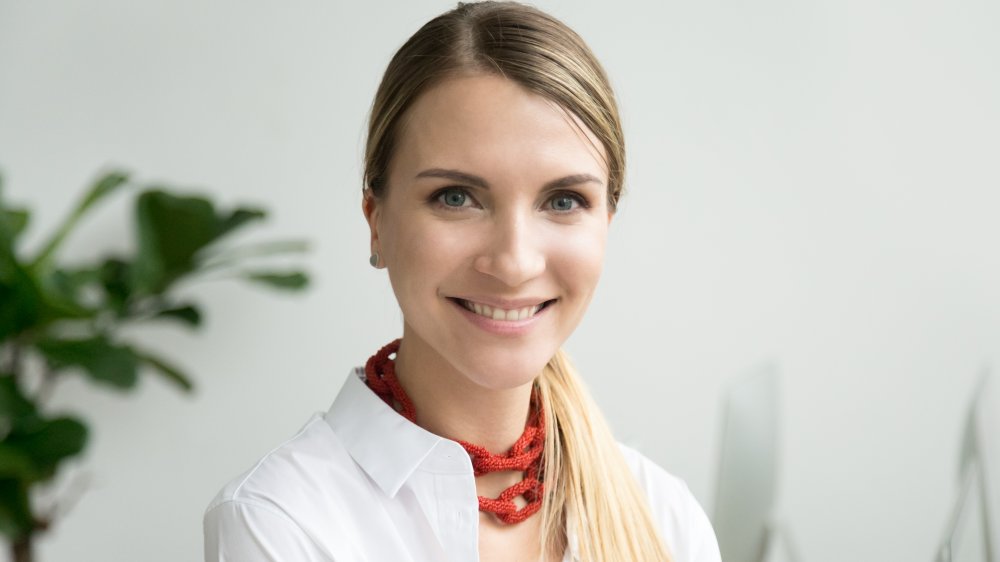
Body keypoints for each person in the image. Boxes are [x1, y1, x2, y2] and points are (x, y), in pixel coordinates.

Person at [203, 2, 721, 561]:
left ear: (605, 226)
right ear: (377, 222)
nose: (515, 261)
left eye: (564, 200)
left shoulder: (665, 516)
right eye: (456, 197)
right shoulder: (280, 521)